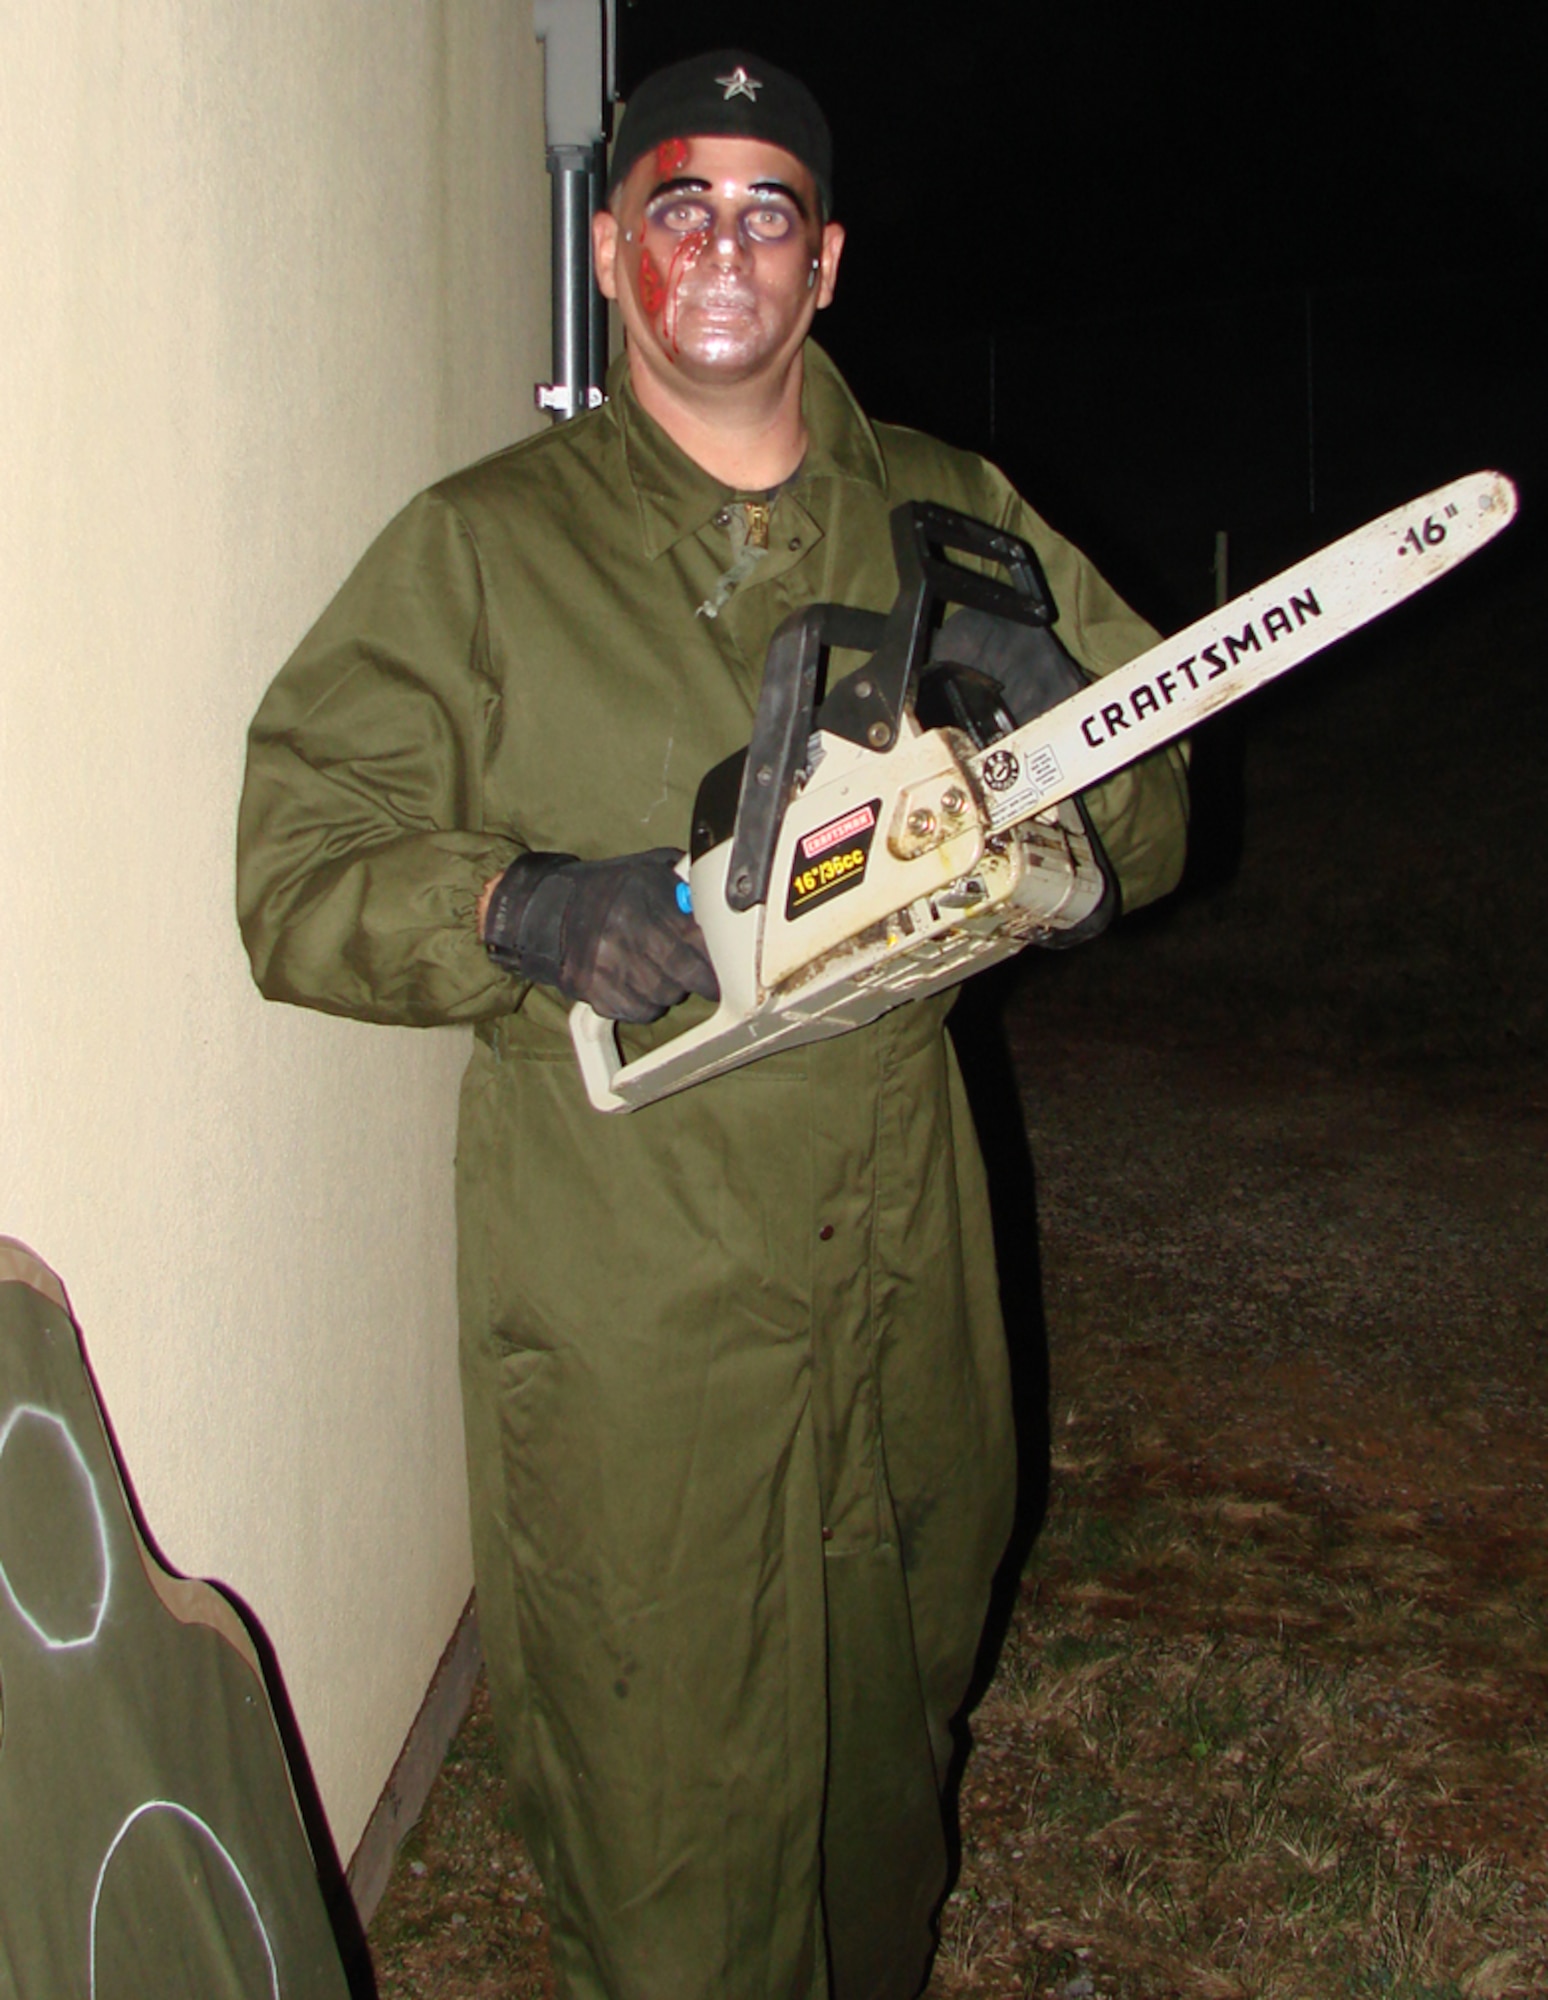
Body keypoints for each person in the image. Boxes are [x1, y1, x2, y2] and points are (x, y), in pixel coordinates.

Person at [237, 48, 1188, 2000]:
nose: (725, 246)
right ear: (610, 244)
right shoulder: (479, 552)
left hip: (906, 1239)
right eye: (681, 202)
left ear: (827, 261)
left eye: (770, 210)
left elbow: (1158, 808)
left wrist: (1052, 764)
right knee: (674, 1825)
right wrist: (508, 904)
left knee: (885, 1755)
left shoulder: (949, 508)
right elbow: (294, 865)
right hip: (628, 1276)